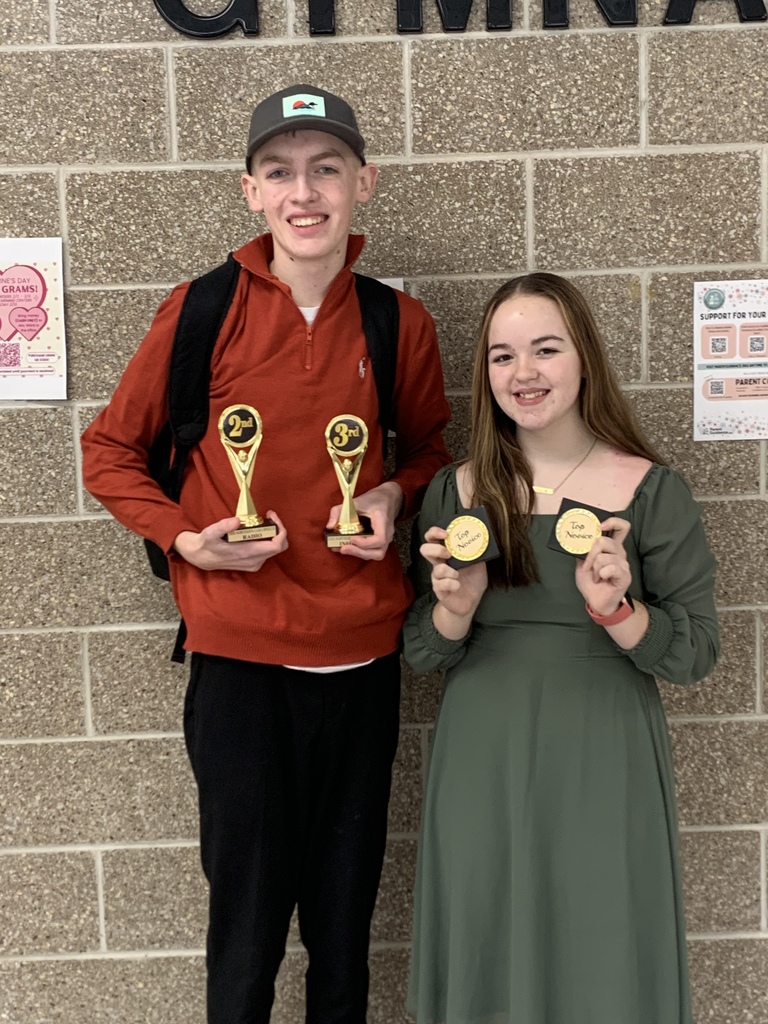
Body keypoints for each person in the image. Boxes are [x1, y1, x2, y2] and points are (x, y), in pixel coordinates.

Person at [81, 84, 450, 1024]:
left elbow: (433, 451)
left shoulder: (397, 322)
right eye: (280, 172)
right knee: (245, 939)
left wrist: (393, 496)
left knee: (344, 933)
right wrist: (186, 540)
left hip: (362, 664)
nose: (304, 192)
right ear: (251, 191)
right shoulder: (200, 311)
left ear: (364, 182)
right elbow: (109, 451)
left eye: (326, 168)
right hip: (240, 666)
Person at [403, 273, 718, 1024]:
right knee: (487, 930)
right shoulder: (456, 491)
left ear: (585, 358)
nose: (524, 373)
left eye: (546, 349)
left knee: (600, 939)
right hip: (482, 753)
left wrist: (617, 611)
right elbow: (420, 650)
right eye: (502, 356)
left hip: (603, 753)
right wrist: (456, 610)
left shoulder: (652, 491)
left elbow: (696, 652)